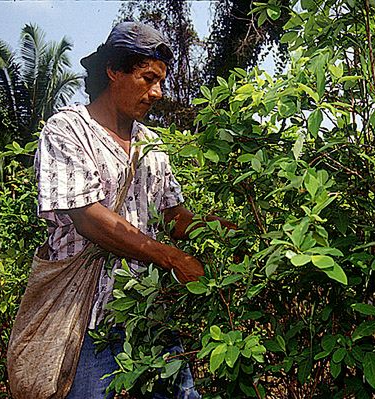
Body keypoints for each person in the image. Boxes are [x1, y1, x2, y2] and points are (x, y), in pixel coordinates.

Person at [34, 22, 234, 398]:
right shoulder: (67, 130)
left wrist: (227, 232)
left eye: (161, 82)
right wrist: (171, 259)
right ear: (113, 70)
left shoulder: (151, 143)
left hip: (147, 316)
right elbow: (88, 218)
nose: (157, 92)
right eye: (147, 78)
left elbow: (174, 217)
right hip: (86, 318)